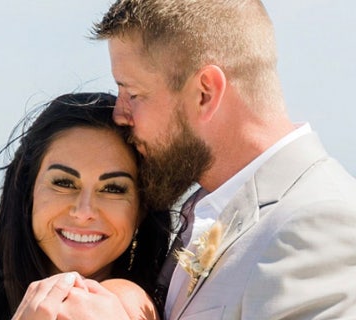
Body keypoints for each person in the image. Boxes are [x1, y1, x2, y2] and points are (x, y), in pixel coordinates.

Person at [92, 0, 356, 319]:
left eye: (132, 93)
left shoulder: (316, 225)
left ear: (205, 93)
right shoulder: (209, 208)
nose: (120, 115)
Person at [0, 92, 174, 319]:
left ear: (142, 208)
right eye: (64, 183)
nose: (84, 212)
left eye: (113, 188)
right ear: (28, 191)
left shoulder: (128, 303)